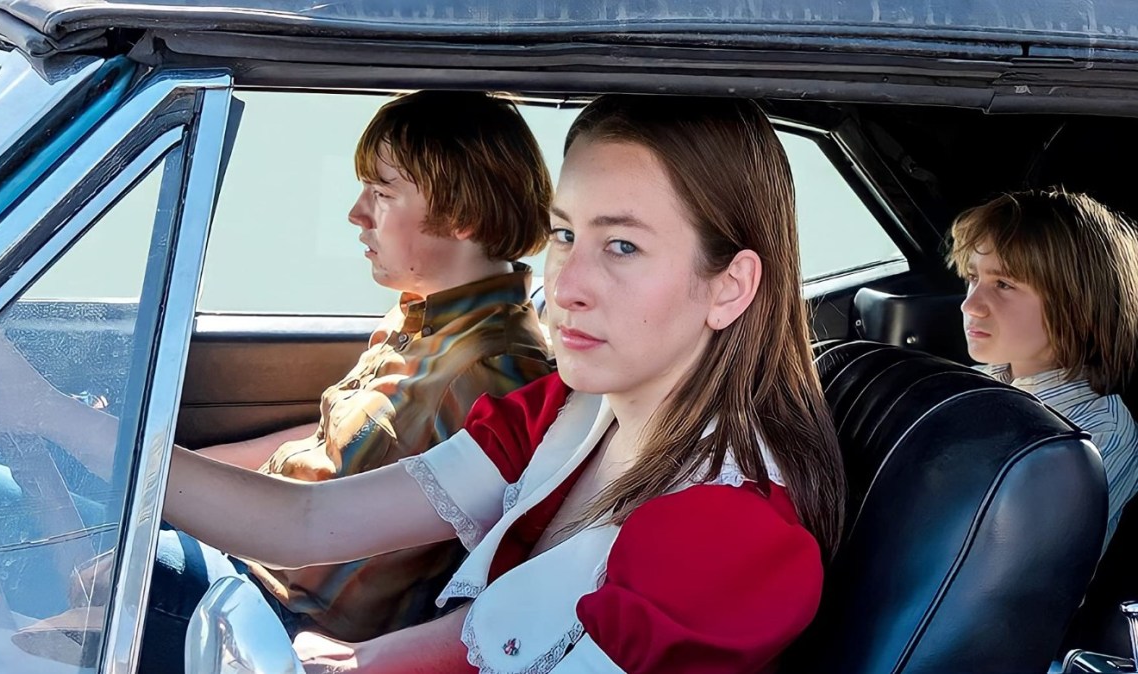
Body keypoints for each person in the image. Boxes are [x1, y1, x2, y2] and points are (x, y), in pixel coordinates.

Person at [157, 94, 847, 673]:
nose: (566, 286)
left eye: (623, 246)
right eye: (565, 234)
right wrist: (98, 437)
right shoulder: (570, 410)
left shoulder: (732, 539)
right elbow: (308, 522)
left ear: (729, 288)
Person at [0, 90, 555, 673]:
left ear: (463, 214)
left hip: (267, 618)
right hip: (241, 557)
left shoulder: (494, 372)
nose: (356, 213)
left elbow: (453, 552)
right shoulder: (423, 312)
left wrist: (57, 418)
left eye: (382, 192)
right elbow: (326, 446)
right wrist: (173, 492)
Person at [949, 188, 1138, 546]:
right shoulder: (973, 384)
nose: (970, 305)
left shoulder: (1095, 437)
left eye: (1003, 284)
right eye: (973, 278)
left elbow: (1024, 567)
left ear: (1075, 304)